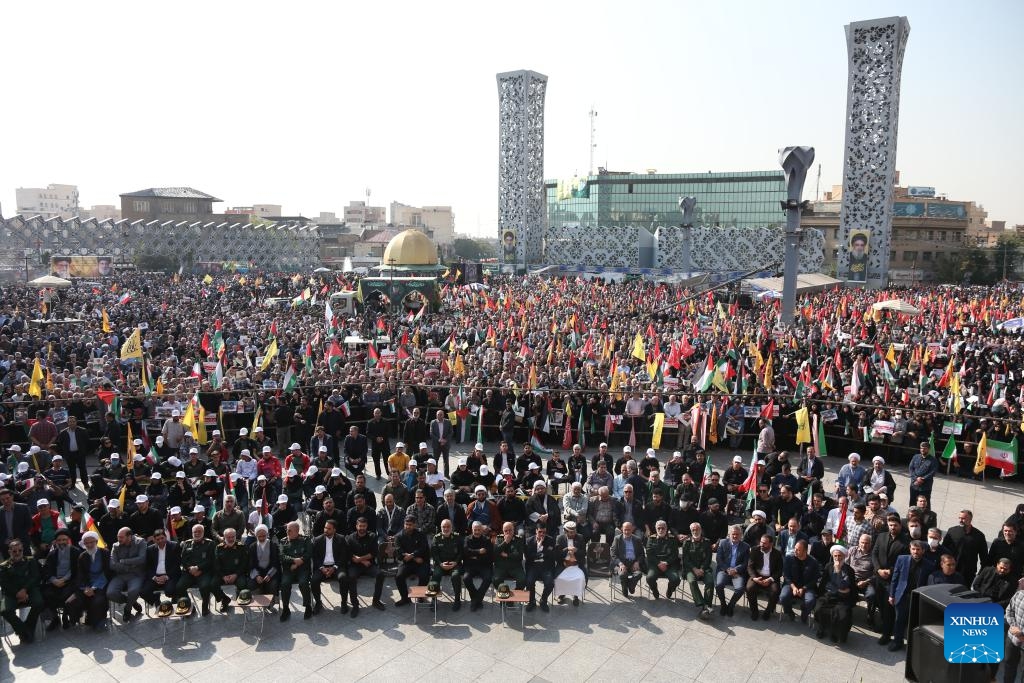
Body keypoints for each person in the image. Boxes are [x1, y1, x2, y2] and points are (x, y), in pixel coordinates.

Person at [880, 540, 934, 651]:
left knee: (912, 622)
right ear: (910, 549)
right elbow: (895, 578)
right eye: (913, 549)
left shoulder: (929, 565)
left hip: (917, 597)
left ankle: (911, 644)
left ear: (923, 551)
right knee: (899, 619)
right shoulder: (902, 559)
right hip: (902, 595)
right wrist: (892, 594)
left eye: (918, 549)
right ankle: (897, 641)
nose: (915, 552)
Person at [0, 538, 43, 643]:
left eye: (20, 550)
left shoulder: (31, 560)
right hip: (11, 593)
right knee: (5, 611)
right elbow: (4, 583)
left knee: (39, 603)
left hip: (29, 590)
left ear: (23, 550)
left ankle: (27, 626)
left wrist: (24, 590)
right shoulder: (3, 566)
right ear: (9, 552)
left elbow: (35, 577)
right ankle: (24, 631)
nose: (17, 553)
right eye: (14, 551)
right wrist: (17, 594)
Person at [67, 532, 110, 630]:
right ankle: (81, 619)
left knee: (98, 601)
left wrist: (94, 587)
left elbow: (106, 572)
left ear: (96, 541)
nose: (89, 545)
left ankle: (98, 620)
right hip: (86, 585)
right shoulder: (82, 556)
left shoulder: (105, 553)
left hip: (101, 584)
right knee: (73, 601)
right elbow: (80, 574)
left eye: (92, 542)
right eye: (87, 543)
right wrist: (85, 588)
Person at [814, 545, 857, 643]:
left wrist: (838, 571)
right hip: (829, 595)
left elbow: (847, 587)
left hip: (842, 599)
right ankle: (822, 627)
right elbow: (824, 583)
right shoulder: (828, 566)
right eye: (835, 556)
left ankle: (835, 633)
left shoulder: (849, 570)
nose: (837, 558)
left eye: (839, 556)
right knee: (819, 609)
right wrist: (823, 593)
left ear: (844, 557)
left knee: (842, 615)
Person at [106, 526, 147, 622]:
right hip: (120, 575)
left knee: (133, 591)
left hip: (136, 575)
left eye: (121, 537)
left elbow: (142, 559)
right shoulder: (115, 546)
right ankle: (131, 602)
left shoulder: (140, 542)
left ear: (129, 537)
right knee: (110, 593)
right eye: (118, 537)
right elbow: (112, 564)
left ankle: (127, 609)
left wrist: (124, 561)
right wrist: (131, 566)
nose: (119, 539)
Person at [346, 516, 384, 615]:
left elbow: (374, 553)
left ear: (367, 526)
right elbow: (349, 554)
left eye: (364, 526)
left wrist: (360, 559)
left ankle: (376, 601)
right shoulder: (350, 538)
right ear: (356, 526)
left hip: (369, 564)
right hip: (355, 565)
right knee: (351, 577)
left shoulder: (372, 536)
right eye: (360, 526)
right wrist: (362, 561)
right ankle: (355, 605)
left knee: (380, 575)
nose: (361, 528)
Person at [177, 523, 216, 616]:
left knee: (205, 586)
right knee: (179, 587)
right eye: (195, 532)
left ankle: (205, 605)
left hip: (204, 572)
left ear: (203, 532)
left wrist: (198, 568)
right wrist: (190, 568)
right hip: (189, 572)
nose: (197, 533)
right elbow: (183, 560)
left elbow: (211, 560)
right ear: (192, 533)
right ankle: (189, 605)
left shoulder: (210, 543)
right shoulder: (187, 543)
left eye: (199, 531)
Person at [311, 519, 348, 615]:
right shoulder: (317, 540)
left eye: (329, 528)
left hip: (336, 566)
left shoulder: (341, 539)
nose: (326, 530)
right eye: (325, 527)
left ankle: (344, 603)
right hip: (322, 567)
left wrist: (334, 567)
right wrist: (322, 568)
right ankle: (318, 603)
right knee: (314, 580)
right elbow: (315, 557)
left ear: (334, 530)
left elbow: (343, 556)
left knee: (343, 578)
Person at [942, 509, 987, 586]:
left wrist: (981, 573)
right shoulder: (952, 531)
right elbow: (943, 549)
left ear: (970, 519)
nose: (960, 520)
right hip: (951, 569)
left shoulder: (979, 536)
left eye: (963, 518)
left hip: (968, 572)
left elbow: (984, 556)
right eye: (959, 518)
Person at [393, 515, 430, 606]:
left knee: (425, 575)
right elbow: (399, 551)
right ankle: (405, 598)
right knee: (399, 577)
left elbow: (423, 548)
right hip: (406, 562)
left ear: (414, 525)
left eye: (410, 524)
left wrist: (413, 555)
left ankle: (420, 595)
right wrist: (413, 557)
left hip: (420, 561)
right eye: (406, 524)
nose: (408, 526)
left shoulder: (421, 534)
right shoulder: (398, 536)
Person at [780, 540, 820, 624]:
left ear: (805, 551)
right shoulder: (789, 558)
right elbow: (786, 575)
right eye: (795, 548)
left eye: (798, 550)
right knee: (783, 597)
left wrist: (804, 588)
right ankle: (789, 612)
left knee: (810, 601)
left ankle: (804, 614)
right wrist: (794, 587)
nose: (795, 551)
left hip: (807, 586)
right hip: (791, 584)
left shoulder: (813, 562)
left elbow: (815, 579)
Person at [715, 524, 750, 616]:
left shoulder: (746, 547)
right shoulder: (722, 543)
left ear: (741, 535)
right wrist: (727, 569)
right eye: (733, 534)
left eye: (737, 534)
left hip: (737, 572)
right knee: (718, 585)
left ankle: (731, 605)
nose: (735, 536)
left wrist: (736, 570)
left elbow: (745, 563)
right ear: (729, 534)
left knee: (740, 589)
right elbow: (719, 559)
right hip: (724, 570)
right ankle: (723, 604)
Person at [141, 527, 180, 609]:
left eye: (162, 538)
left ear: (166, 537)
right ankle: (156, 600)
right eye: (158, 539)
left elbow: (177, 565)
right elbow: (148, 567)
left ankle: (174, 599)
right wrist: (154, 577)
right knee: (143, 592)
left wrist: (166, 576)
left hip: (169, 575)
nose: (160, 541)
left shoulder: (174, 546)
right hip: (156, 576)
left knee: (170, 591)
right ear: (154, 540)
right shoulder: (150, 549)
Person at [682, 522, 714, 619]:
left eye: (697, 529)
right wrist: (695, 569)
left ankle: (707, 606)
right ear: (691, 531)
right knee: (692, 581)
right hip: (690, 569)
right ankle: (704, 605)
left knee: (710, 582)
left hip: (704, 569)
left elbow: (708, 558)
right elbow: (685, 559)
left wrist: (702, 569)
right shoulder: (687, 542)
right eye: (693, 530)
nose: (695, 531)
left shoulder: (707, 542)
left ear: (701, 530)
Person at [212, 527, 249, 612]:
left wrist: (236, 575)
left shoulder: (241, 547)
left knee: (243, 584)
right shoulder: (219, 547)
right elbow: (216, 564)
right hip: (223, 574)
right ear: (224, 537)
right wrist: (223, 576)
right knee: (212, 584)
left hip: (237, 574)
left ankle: (242, 600)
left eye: (233, 536)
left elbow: (244, 564)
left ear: (236, 536)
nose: (231, 539)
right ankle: (224, 599)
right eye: (228, 537)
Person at [430, 518, 463, 611]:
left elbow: (461, 553)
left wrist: (455, 562)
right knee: (435, 575)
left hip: (454, 564)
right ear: (441, 528)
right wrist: (440, 564)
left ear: (451, 527)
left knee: (456, 576)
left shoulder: (457, 537)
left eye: (448, 527)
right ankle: (433, 599)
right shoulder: (436, 538)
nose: (446, 529)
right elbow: (434, 554)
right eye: (444, 527)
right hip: (441, 565)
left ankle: (457, 600)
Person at [462, 521, 493, 611]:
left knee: (488, 578)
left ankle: (476, 600)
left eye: (479, 530)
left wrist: (473, 555)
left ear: (482, 530)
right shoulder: (467, 539)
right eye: (475, 530)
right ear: (472, 530)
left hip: (484, 565)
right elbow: (466, 552)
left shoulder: (487, 540)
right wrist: (479, 552)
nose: (477, 532)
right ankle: (477, 598)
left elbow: (490, 555)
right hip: (470, 566)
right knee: (466, 578)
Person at [524, 524, 556, 612]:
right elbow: (528, 557)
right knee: (529, 582)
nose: (542, 534)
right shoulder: (529, 541)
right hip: (533, 567)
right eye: (540, 532)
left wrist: (541, 548)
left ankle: (543, 600)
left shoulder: (550, 540)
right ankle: (532, 601)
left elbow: (551, 555)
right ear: (536, 531)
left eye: (544, 532)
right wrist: (539, 548)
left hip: (546, 567)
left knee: (550, 584)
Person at [645, 520, 680, 600]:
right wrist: (658, 563)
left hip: (669, 564)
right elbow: (649, 554)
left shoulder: (672, 539)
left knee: (676, 579)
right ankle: (654, 589)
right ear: (656, 529)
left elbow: (675, 554)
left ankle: (670, 589)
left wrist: (666, 562)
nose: (661, 530)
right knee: (649, 578)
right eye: (659, 528)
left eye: (663, 528)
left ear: (666, 529)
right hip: (655, 564)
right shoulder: (651, 538)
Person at [612, 521, 646, 597]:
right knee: (622, 574)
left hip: (633, 563)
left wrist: (637, 562)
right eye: (625, 529)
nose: (627, 532)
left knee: (639, 574)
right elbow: (613, 554)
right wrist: (620, 564)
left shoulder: (637, 539)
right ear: (622, 529)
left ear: (632, 529)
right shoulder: (617, 539)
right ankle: (624, 588)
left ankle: (630, 585)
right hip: (621, 563)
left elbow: (642, 554)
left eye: (629, 529)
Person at [493, 521, 526, 591]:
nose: (508, 532)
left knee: (522, 580)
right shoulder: (499, 539)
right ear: (503, 531)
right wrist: (505, 542)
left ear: (514, 530)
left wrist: (507, 555)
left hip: (515, 567)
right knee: (496, 580)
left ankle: (514, 598)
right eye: (505, 530)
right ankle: (504, 598)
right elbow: (495, 552)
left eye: (510, 530)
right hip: (501, 567)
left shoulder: (519, 540)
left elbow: (519, 556)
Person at [1003, 580, 1024, 683]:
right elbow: (1009, 611)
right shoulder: (1019, 594)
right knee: (1009, 666)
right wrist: (1015, 628)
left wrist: (1022, 633)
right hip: (1012, 638)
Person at [907, 441, 937, 507]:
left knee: (925, 503)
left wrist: (922, 479)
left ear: (929, 449)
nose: (922, 450)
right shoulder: (915, 457)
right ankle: (912, 516)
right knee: (912, 502)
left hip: (925, 486)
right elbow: (911, 468)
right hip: (914, 484)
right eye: (921, 448)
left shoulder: (933, 460)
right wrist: (916, 479)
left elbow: (932, 472)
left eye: (925, 448)